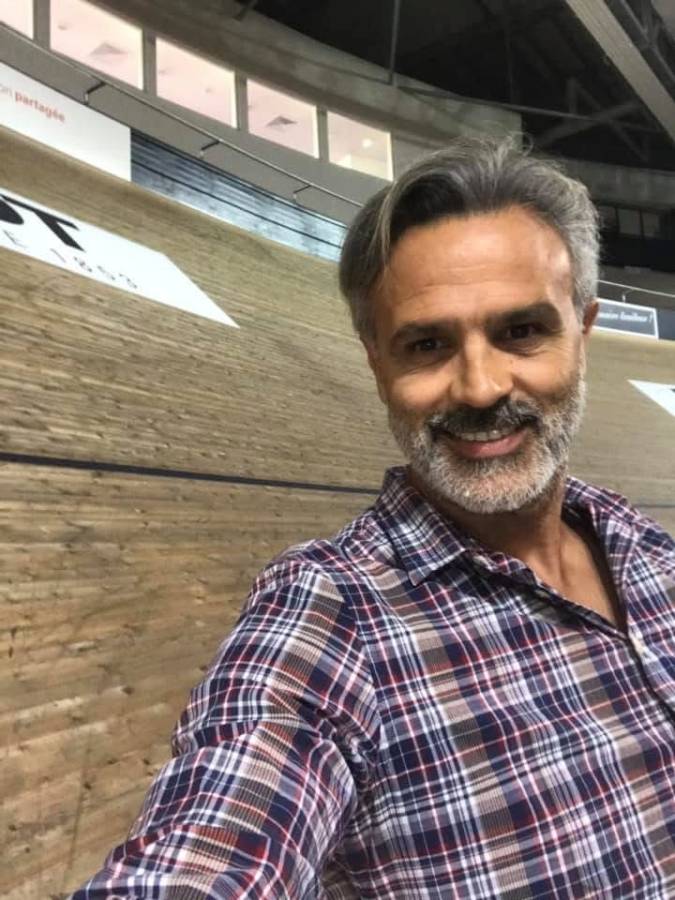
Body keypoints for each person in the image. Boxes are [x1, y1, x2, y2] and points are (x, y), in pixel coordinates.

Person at [73, 137, 675, 899]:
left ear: (581, 331)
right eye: (426, 344)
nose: (480, 387)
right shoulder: (330, 615)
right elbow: (216, 839)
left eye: (520, 331)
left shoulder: (647, 549)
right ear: (376, 361)